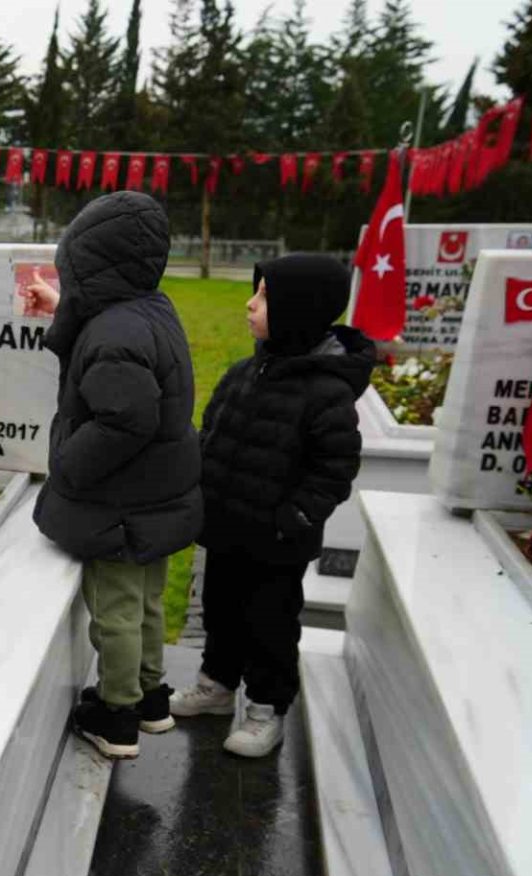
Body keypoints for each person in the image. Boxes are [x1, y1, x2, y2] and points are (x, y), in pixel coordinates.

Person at [170, 254, 376, 757]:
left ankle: (266, 708)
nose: (249, 304)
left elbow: (334, 468)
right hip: (226, 528)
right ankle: (216, 686)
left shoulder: (327, 393)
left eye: (264, 297)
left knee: (270, 626)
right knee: (220, 612)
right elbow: (213, 434)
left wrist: (295, 517)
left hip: (278, 541)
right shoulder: (245, 372)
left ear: (298, 310)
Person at [32, 191, 202, 760]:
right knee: (148, 602)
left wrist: (69, 465)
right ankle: (151, 699)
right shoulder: (149, 310)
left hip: (120, 506)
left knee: (116, 613)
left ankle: (118, 715)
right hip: (156, 498)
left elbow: (126, 418)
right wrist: (62, 304)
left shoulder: (113, 333)